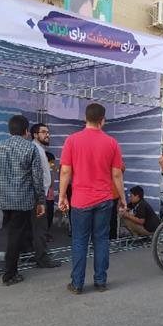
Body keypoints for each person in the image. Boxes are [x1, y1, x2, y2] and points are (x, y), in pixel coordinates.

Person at [59, 103, 125, 294]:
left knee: (79, 241)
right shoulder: (112, 143)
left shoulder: (72, 140)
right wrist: (122, 198)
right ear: (102, 121)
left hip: (80, 200)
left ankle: (77, 284)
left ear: (85, 118)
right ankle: (101, 282)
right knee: (101, 240)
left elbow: (65, 171)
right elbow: (117, 174)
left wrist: (62, 196)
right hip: (104, 199)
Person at [0, 115, 48, 286]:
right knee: (15, 235)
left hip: (4, 199)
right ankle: (10, 274)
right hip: (23, 200)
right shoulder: (30, 148)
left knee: (14, 233)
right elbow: (37, 178)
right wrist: (41, 201)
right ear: (26, 131)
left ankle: (15, 266)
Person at [29, 123, 61, 268]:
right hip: (38, 195)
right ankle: (42, 258)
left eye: (48, 132)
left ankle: (35, 255)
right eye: (43, 132)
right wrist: (40, 197)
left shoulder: (40, 149)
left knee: (37, 228)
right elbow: (36, 175)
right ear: (35, 135)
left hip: (40, 193)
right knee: (40, 228)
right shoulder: (35, 149)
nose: (47, 135)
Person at [109, 161, 126, 240]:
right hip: (113, 194)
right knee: (113, 217)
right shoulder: (116, 160)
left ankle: (110, 238)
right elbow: (122, 170)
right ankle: (112, 238)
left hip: (107, 194)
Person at [45, 152, 56, 234]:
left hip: (50, 197)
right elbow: (51, 184)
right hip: (47, 197)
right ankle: (46, 232)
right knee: (48, 215)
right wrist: (53, 172)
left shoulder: (49, 170)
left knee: (50, 215)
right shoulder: (46, 172)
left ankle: (47, 232)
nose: (53, 164)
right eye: (51, 162)